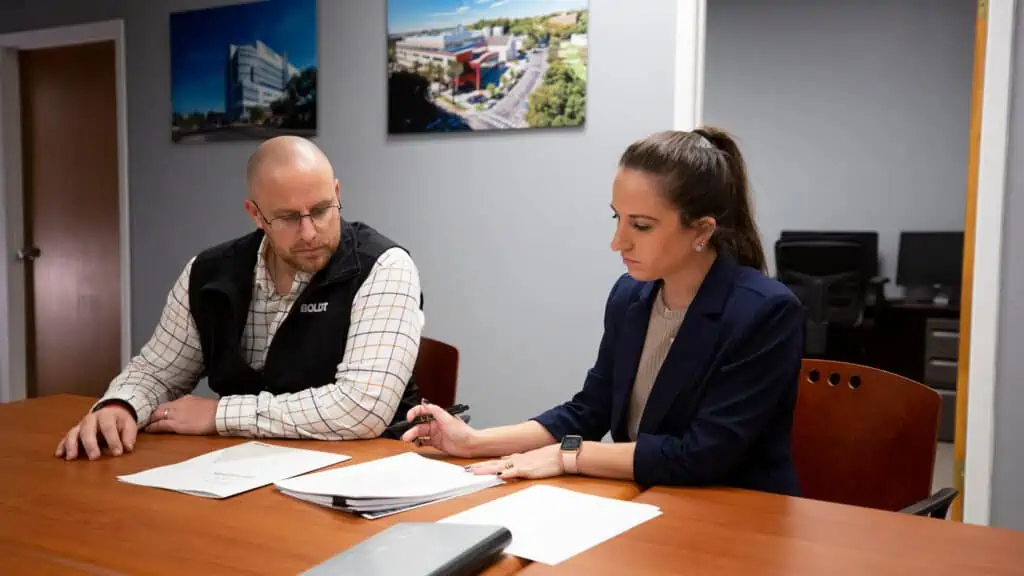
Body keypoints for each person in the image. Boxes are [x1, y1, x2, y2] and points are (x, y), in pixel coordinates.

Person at [401, 128, 804, 495]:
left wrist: (567, 456)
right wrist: (473, 441)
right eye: (618, 218)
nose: (618, 242)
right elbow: (588, 410)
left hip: (736, 514)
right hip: (651, 498)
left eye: (641, 226)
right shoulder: (630, 297)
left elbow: (701, 453)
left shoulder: (766, 313)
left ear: (701, 231)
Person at [56, 136, 425, 461]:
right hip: (243, 471)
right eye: (287, 218)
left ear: (338, 194)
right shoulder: (209, 272)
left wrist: (218, 416)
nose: (309, 231)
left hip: (365, 470)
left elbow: (362, 410)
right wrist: (120, 405)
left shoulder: (383, 266)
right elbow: (157, 371)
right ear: (256, 215)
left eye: (320, 210)